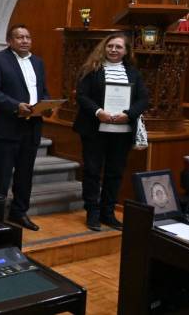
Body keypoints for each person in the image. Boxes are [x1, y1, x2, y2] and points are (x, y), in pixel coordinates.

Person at [73, 33, 148, 231]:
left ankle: (108, 213)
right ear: (104, 48)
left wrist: (129, 114)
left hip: (122, 131)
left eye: (118, 47)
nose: (113, 50)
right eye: (110, 46)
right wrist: (99, 112)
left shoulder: (133, 73)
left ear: (126, 51)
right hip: (95, 129)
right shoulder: (92, 69)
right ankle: (92, 213)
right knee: (92, 171)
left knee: (115, 173)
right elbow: (81, 95)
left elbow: (143, 99)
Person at [0, 24, 49, 231]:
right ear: (9, 40)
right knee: (0, 175)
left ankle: (19, 212)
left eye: (28, 37)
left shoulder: (38, 62)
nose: (24, 41)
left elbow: (42, 91)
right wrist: (15, 106)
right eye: (19, 37)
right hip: (7, 126)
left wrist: (46, 105)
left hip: (32, 127)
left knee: (25, 174)